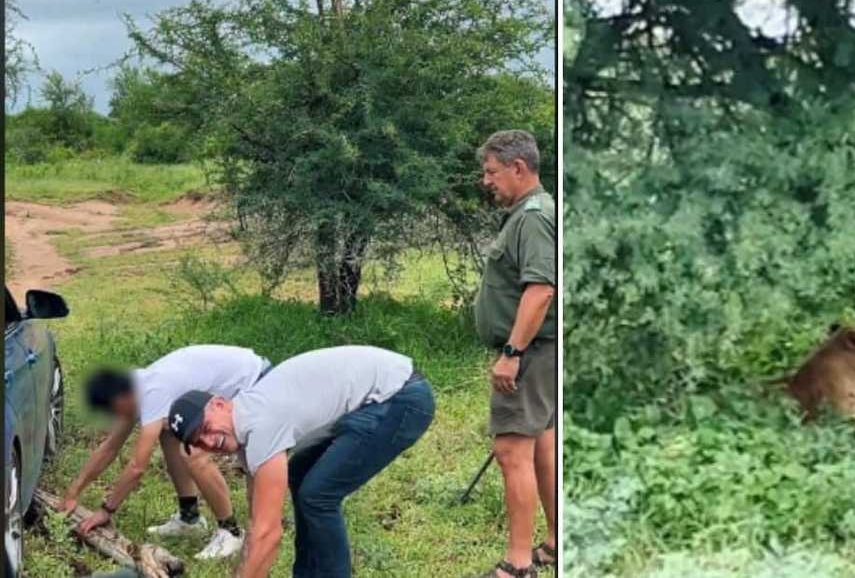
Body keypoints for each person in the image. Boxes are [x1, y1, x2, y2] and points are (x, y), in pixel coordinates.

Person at [168, 345, 435, 578]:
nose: (208, 440)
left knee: (317, 495)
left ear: (219, 404)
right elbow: (257, 517)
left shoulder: (260, 426)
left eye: (205, 427)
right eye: (197, 440)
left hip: (401, 398)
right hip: (375, 398)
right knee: (299, 474)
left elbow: (268, 533)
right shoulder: (245, 419)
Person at [59, 345, 271, 559]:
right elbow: (110, 448)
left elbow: (137, 467)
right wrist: (73, 492)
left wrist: (107, 510)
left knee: (193, 453)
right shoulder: (135, 387)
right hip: (240, 379)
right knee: (169, 433)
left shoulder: (152, 393)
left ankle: (231, 532)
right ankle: (190, 519)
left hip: (255, 383)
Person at [473, 130, 558, 578]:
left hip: (529, 354)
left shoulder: (533, 216)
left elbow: (542, 289)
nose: (487, 181)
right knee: (541, 445)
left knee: (511, 451)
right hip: (538, 353)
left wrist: (511, 352)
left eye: (491, 171)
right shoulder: (530, 213)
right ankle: (555, 541)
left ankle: (518, 564)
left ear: (518, 168)